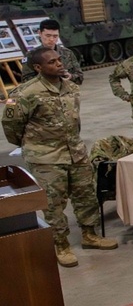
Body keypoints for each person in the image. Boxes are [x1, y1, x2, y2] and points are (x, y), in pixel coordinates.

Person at [2, 47, 117, 267]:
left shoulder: (71, 87)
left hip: (75, 152)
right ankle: (60, 244)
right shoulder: (26, 93)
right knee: (53, 204)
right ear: (38, 67)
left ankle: (89, 235)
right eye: (52, 62)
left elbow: (75, 121)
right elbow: (11, 126)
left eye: (58, 60)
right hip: (46, 157)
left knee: (86, 196)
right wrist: (32, 146)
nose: (58, 64)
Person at [20, 19, 84, 85]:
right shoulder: (31, 55)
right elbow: (26, 81)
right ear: (40, 33)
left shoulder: (67, 53)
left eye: (55, 36)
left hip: (67, 92)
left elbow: (80, 77)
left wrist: (70, 76)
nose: (51, 39)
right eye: (48, 36)